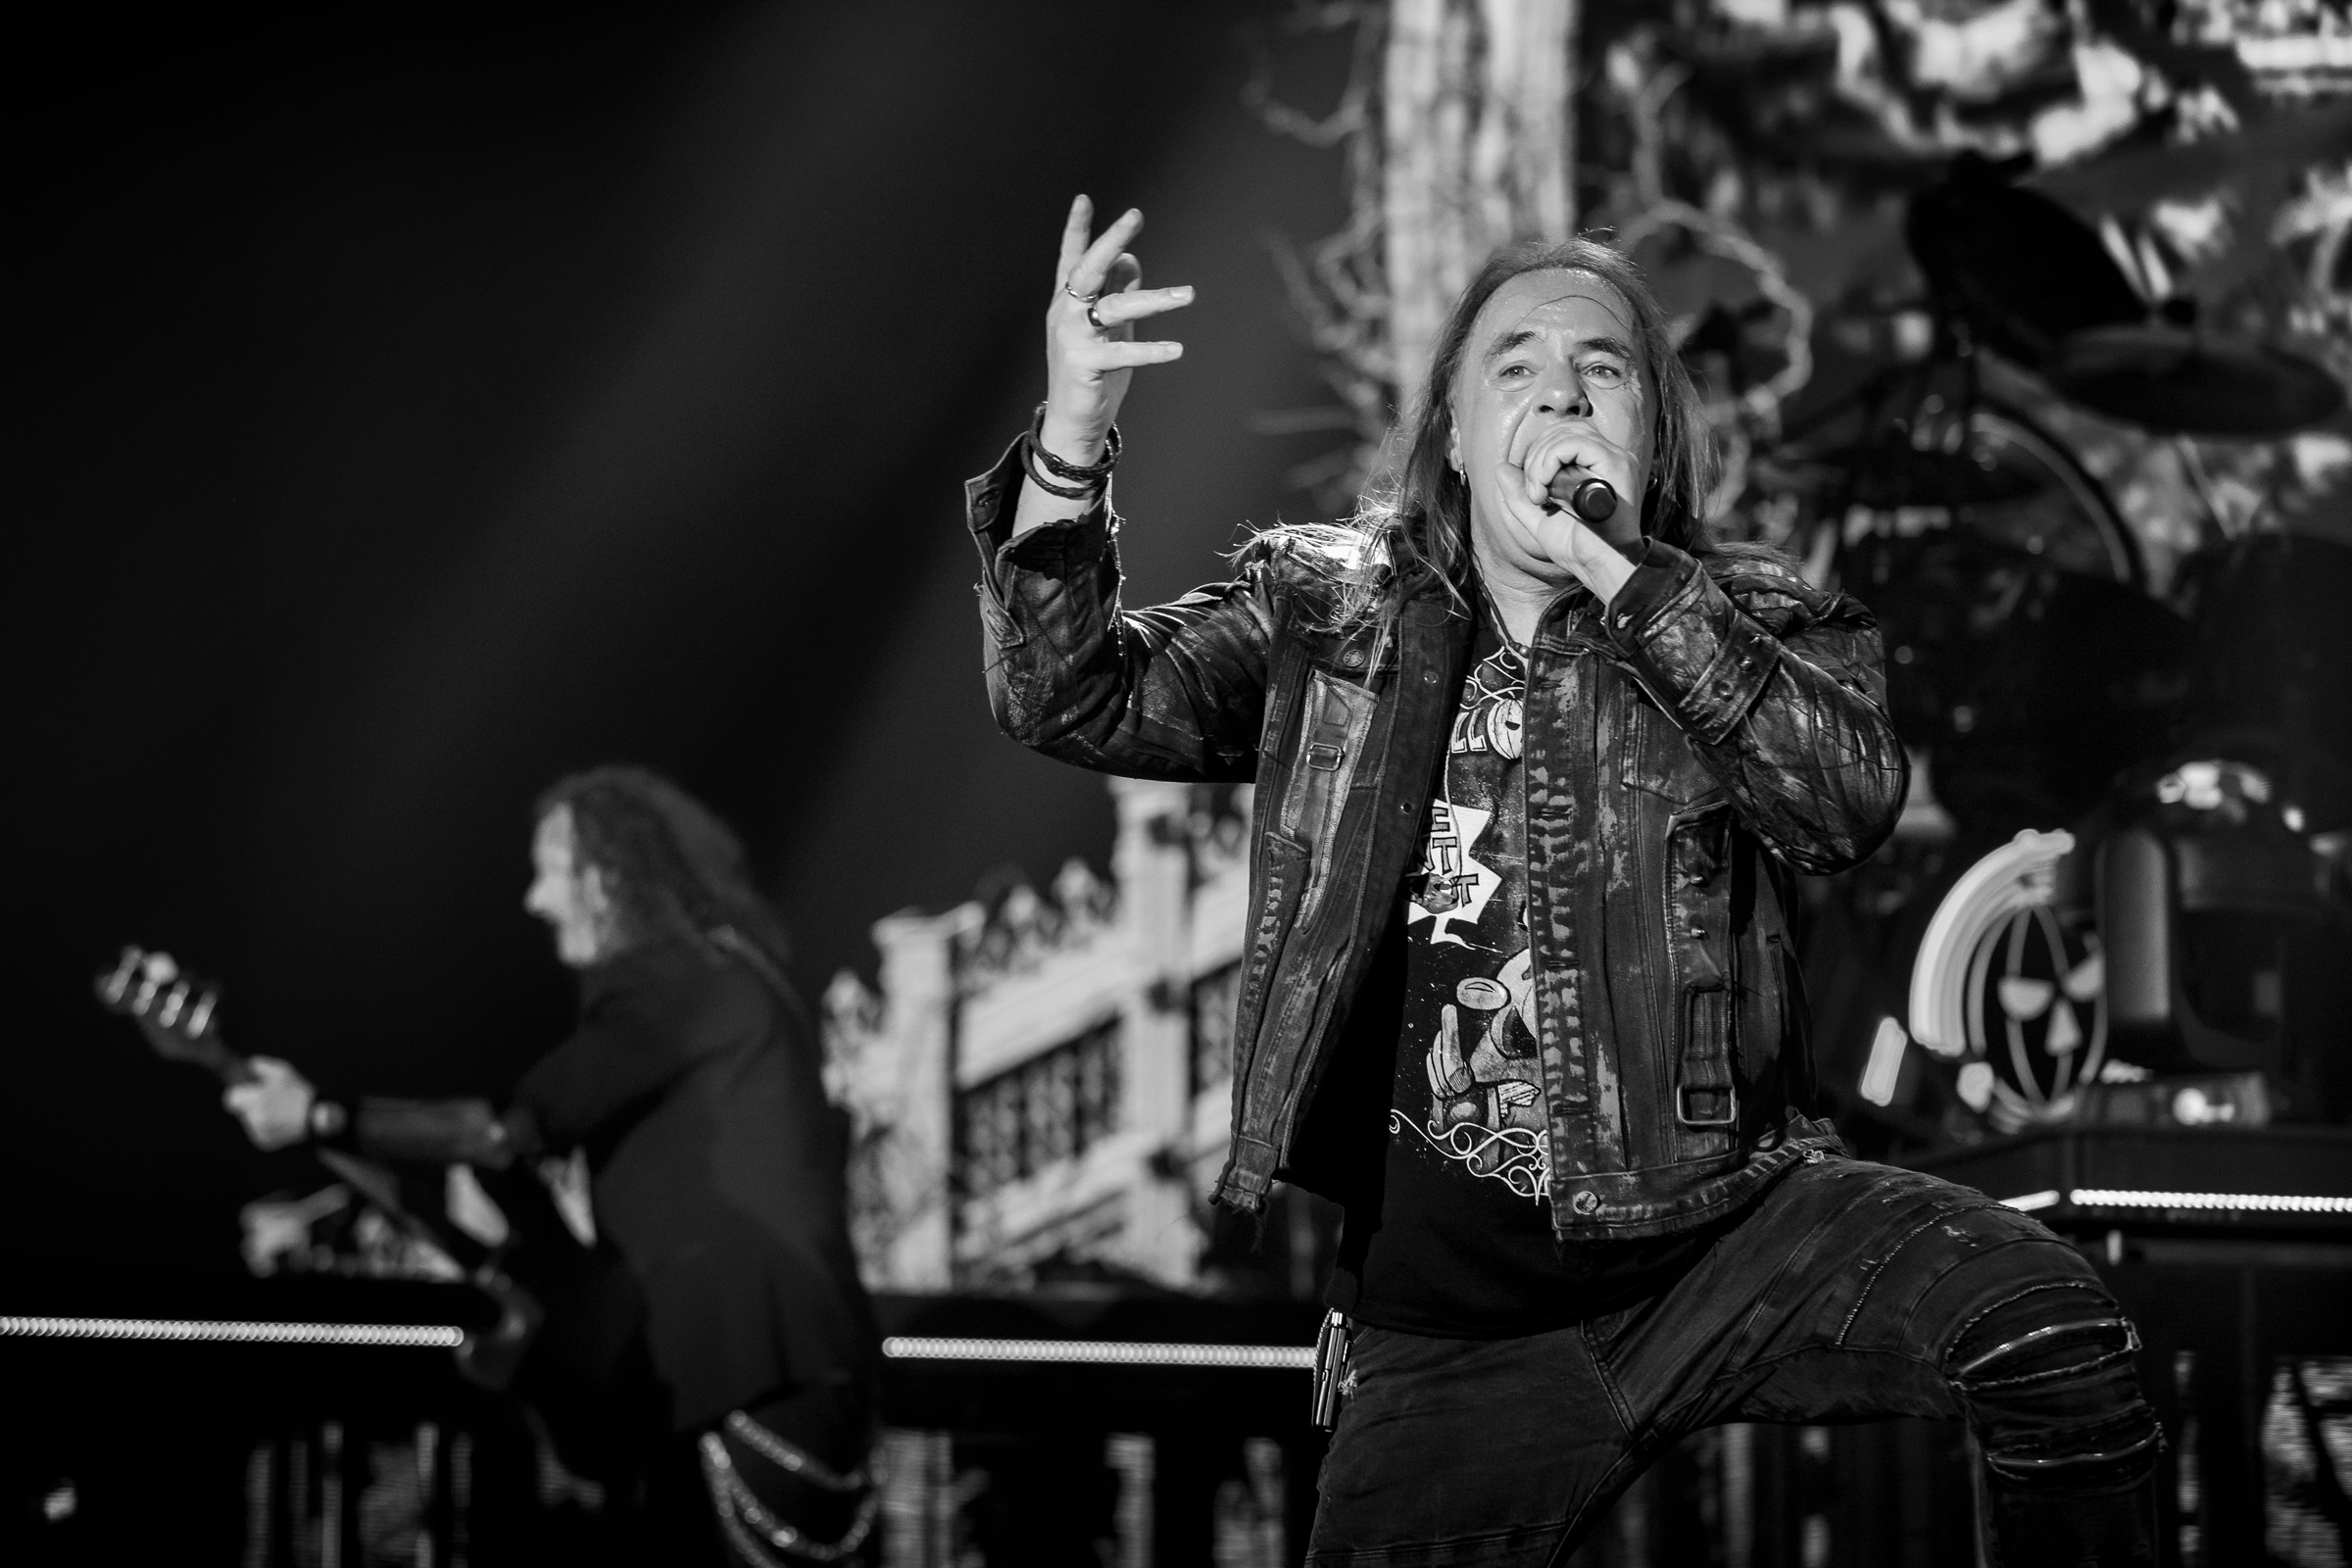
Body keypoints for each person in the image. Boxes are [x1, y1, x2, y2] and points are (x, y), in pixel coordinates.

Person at [971, 197, 2161, 1566]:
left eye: (1602, 368)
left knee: (2046, 1322)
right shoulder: (1337, 621)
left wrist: (1631, 581)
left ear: (1651, 436)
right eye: (1516, 365)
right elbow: (1067, 697)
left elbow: (1844, 803)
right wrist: (1070, 441)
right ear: (1455, 437)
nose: (1562, 392)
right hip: (1452, 1335)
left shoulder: (1751, 621)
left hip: (1727, 1240)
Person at [223, 766, 881, 1566]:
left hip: (759, 1371)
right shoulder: (721, 976)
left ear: (604, 881)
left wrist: (322, 1115)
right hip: (761, 1375)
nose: (535, 901)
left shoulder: (676, 978)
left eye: (550, 872)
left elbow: (506, 1130)